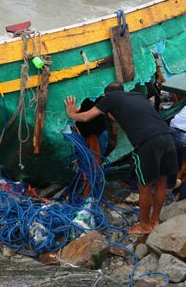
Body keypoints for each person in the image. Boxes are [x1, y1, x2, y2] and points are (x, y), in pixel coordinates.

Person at [65, 82, 177, 234]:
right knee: (161, 182)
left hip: (148, 143)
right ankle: (155, 222)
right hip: (167, 137)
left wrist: (71, 113)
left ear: (107, 95)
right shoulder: (136, 96)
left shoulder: (110, 98)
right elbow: (116, 115)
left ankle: (144, 225)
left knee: (144, 186)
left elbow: (85, 117)